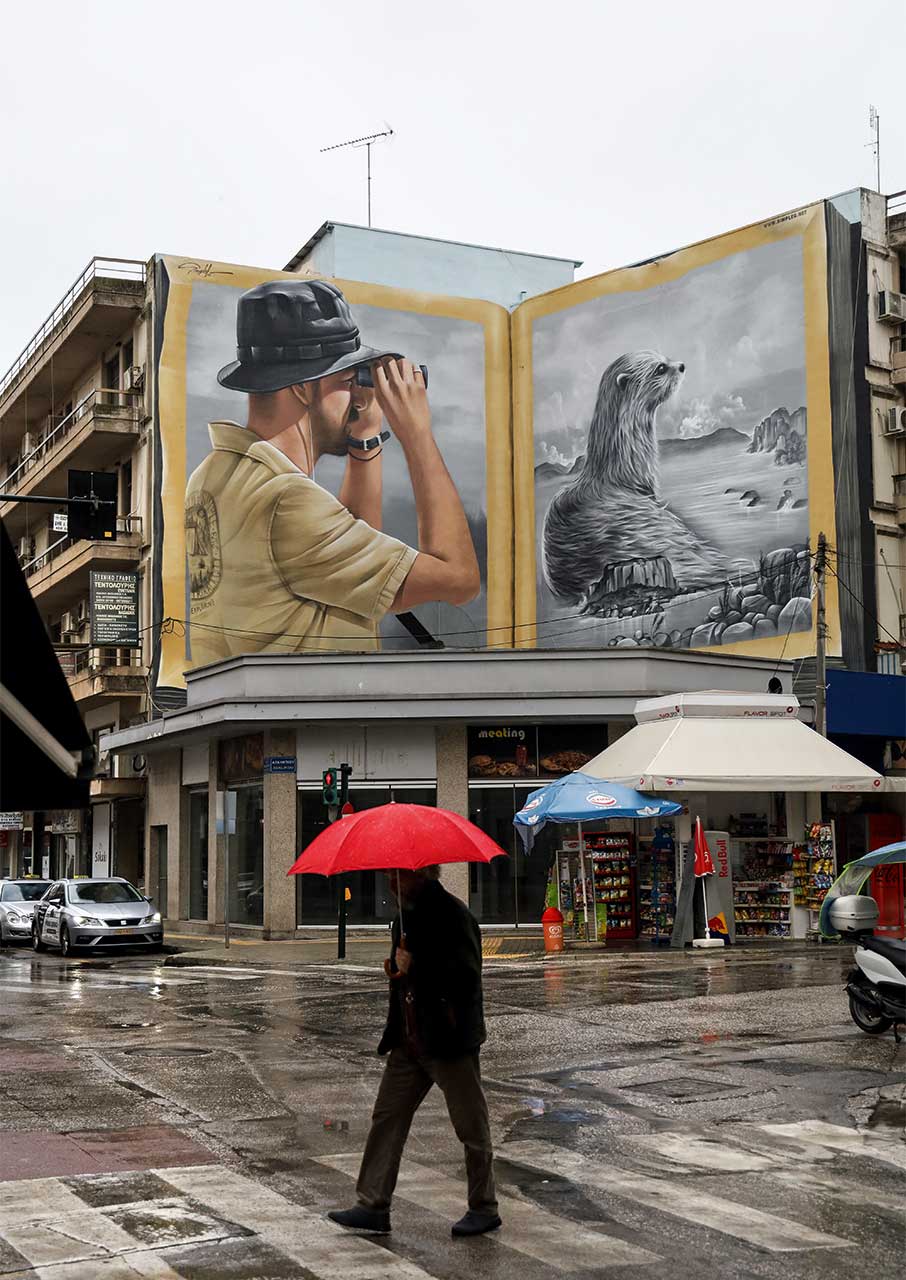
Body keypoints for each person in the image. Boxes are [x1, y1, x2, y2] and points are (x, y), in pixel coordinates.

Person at [185, 279, 479, 666]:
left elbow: (351, 556)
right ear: (304, 390)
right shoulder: (287, 501)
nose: (359, 395)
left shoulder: (215, 475)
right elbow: (459, 580)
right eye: (347, 381)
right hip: (314, 716)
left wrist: (365, 438)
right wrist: (418, 435)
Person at [329, 866, 501, 1238]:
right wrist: (396, 970)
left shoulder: (454, 916)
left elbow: (466, 978)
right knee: (386, 1118)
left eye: (399, 876)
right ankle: (372, 1204)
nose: (391, 883)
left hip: (448, 1040)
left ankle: (484, 1206)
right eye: (389, 876)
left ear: (422, 874)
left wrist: (417, 966)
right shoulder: (402, 920)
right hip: (409, 1041)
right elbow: (408, 979)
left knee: (470, 1124)